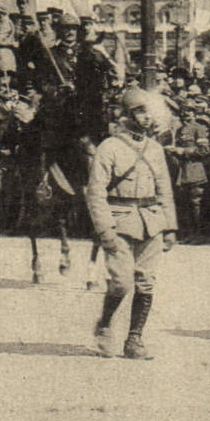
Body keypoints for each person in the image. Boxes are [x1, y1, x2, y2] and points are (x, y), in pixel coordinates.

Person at [85, 87, 177, 360]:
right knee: (121, 282)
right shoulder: (109, 148)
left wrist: (170, 227)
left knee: (146, 282)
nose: (147, 117)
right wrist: (105, 230)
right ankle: (104, 325)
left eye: (149, 111)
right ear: (125, 116)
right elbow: (96, 193)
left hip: (151, 221)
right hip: (120, 221)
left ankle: (134, 339)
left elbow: (164, 190)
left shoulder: (156, 149)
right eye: (140, 111)